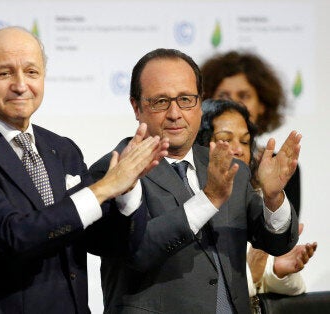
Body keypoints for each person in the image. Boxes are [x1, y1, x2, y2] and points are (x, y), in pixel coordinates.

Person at [0, 26, 168, 314]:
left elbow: (102, 242)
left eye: (32, 72)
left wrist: (127, 191)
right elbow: (13, 237)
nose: (21, 85)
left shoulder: (62, 149)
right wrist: (103, 188)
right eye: (4, 74)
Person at [90, 48, 301, 313]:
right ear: (136, 107)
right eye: (160, 102)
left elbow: (277, 242)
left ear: (200, 102)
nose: (175, 113)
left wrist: (273, 198)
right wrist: (209, 199)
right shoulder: (113, 172)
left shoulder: (230, 166)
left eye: (186, 99)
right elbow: (136, 252)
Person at [196, 99, 317, 301]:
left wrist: (278, 271)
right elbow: (205, 292)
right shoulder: (192, 203)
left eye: (244, 141)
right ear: (200, 144)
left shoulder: (254, 200)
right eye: (225, 139)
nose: (239, 149)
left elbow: (297, 288)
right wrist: (253, 273)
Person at [200, 51, 301, 212]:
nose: (233, 102)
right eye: (223, 95)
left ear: (262, 104)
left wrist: (272, 196)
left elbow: (284, 232)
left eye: (244, 96)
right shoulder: (194, 162)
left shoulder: (282, 167)